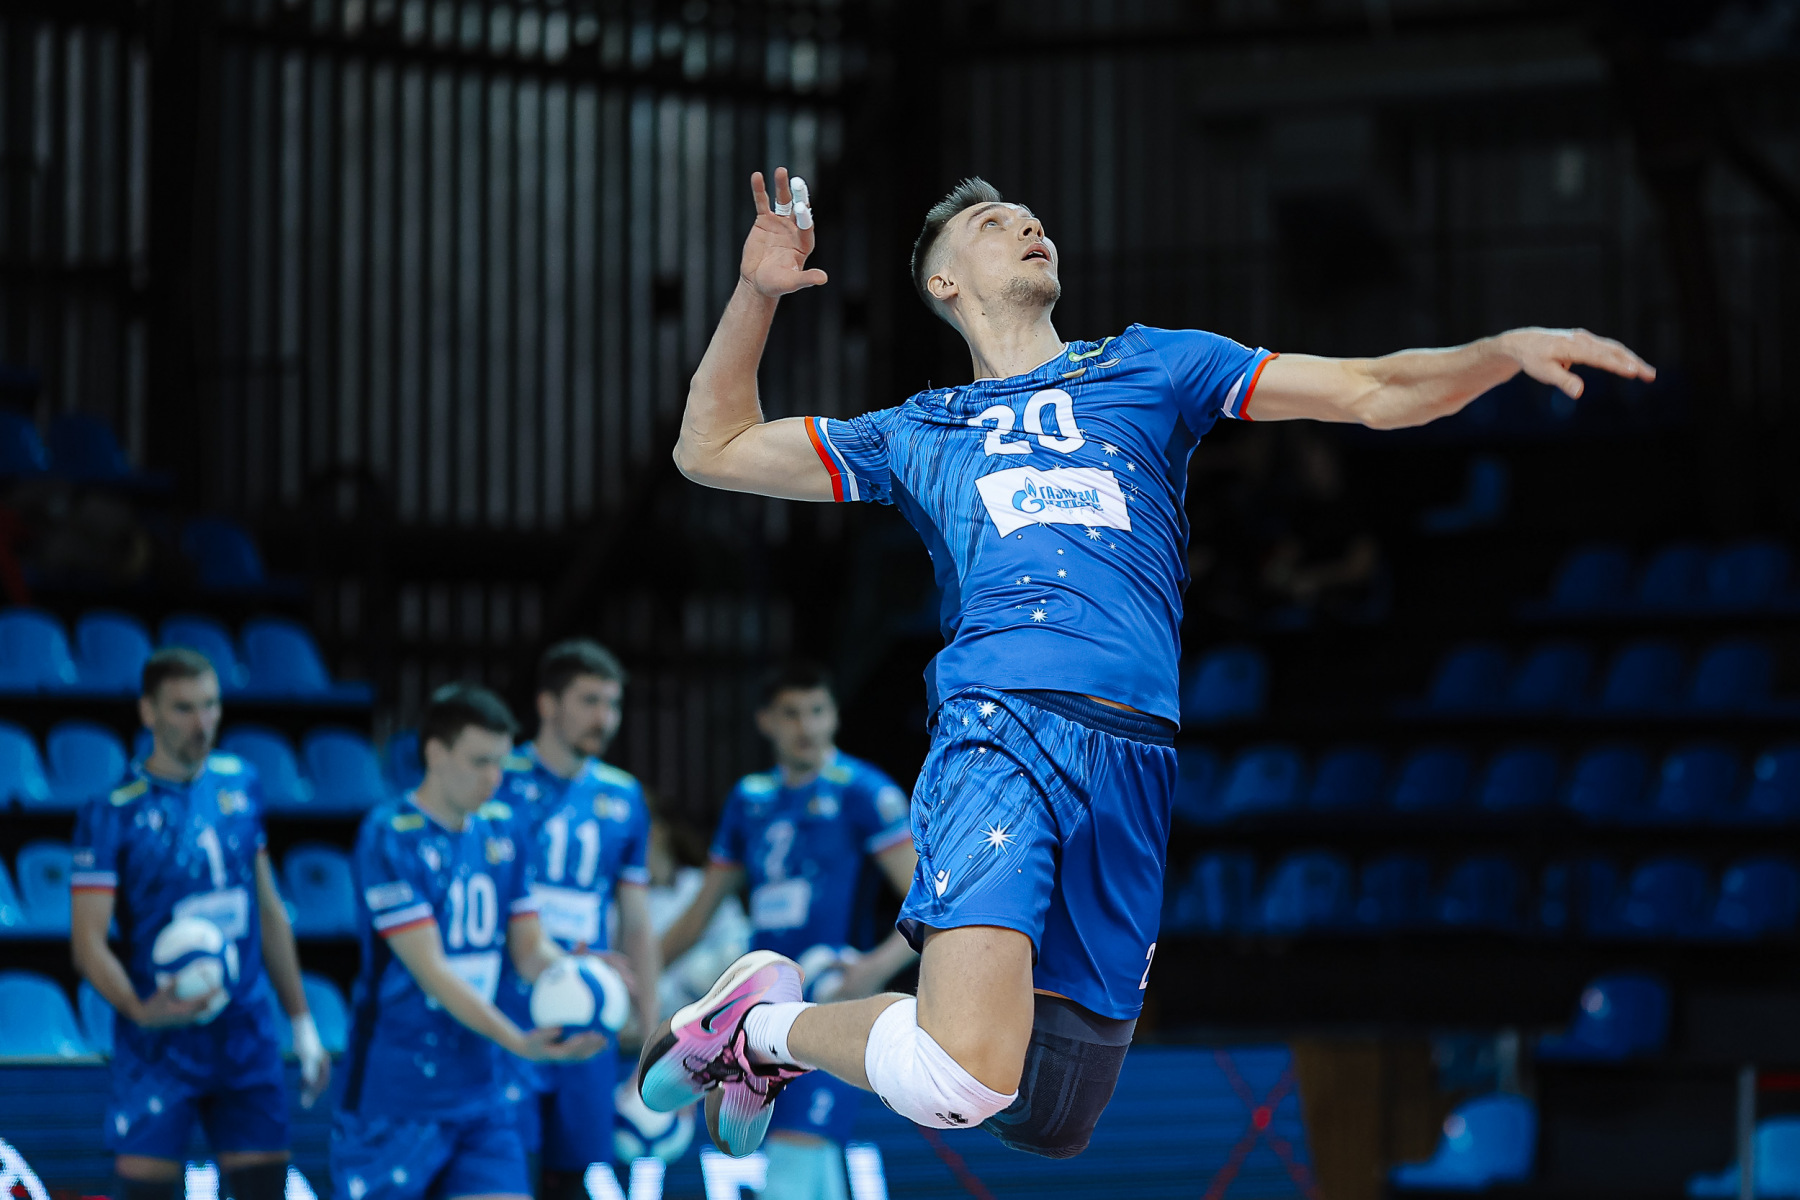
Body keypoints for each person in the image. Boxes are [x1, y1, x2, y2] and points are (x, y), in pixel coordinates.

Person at [640, 168, 1658, 1161]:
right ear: (944, 282)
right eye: (994, 223)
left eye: (1031, 216)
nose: (1028, 225)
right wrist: (757, 293)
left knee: (1049, 1117)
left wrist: (1497, 352)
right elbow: (711, 447)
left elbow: (1372, 389)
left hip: (1134, 755)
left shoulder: (1153, 367)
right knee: (962, 1077)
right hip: (1002, 726)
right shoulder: (917, 432)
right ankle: (759, 1030)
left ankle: (764, 1032)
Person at [71, 648, 329, 1200]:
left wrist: (302, 1023)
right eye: (184, 708)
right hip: (160, 1041)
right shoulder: (112, 810)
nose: (202, 722)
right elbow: (88, 942)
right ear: (148, 712)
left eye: (211, 705)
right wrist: (141, 1010)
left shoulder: (242, 783)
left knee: (264, 1190)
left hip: (244, 1030)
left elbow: (268, 910)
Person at [331, 684, 604, 1200]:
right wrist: (518, 1041)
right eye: (480, 762)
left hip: (481, 1092)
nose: (494, 778)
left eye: (500, 762)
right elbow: (432, 971)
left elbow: (529, 949)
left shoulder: (503, 829)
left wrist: (578, 976)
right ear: (435, 753)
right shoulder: (390, 834)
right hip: (395, 1095)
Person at [659, 662, 917, 1189]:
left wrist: (873, 969)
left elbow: (929, 901)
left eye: (817, 711)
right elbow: (700, 913)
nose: (807, 727)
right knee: (807, 1159)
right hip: (760, 1010)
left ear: (835, 716)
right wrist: (636, 979)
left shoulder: (863, 791)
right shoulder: (749, 800)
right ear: (765, 721)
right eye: (792, 714)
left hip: (832, 1003)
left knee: (797, 1149)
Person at [492, 641, 660, 1200]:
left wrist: (653, 1031)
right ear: (547, 704)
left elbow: (636, 922)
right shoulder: (497, 779)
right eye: (590, 701)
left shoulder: (623, 795)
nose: (604, 718)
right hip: (507, 1011)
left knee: (571, 1180)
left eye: (613, 704)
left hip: (591, 1013)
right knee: (503, 1172)